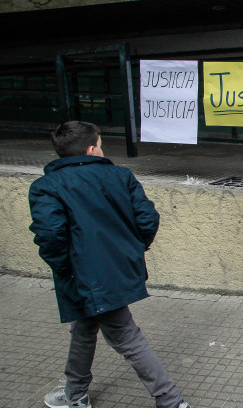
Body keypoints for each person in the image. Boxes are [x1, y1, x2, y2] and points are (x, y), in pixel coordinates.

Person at [28, 121, 190, 408]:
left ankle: (171, 401)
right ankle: (75, 394)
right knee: (85, 326)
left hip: (85, 276)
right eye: (101, 145)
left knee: (125, 336)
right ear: (92, 149)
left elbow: (50, 235)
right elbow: (147, 220)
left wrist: (66, 268)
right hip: (101, 273)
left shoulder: (46, 187)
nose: (102, 150)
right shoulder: (120, 176)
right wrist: (131, 250)